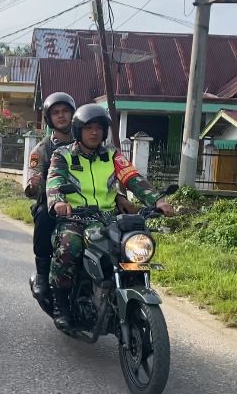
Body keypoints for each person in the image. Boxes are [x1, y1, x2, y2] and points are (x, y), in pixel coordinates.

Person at [46, 104, 175, 330]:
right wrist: (58, 201)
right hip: (76, 218)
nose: (94, 133)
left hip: (109, 218)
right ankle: (61, 304)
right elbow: (54, 179)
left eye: (99, 128)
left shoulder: (111, 155)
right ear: (78, 131)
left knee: (132, 248)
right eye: (89, 128)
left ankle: (125, 295)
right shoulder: (63, 154)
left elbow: (133, 178)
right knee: (69, 247)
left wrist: (157, 201)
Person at [24, 92, 76, 301]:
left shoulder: (86, 142)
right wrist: (34, 185)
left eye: (65, 111)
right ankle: (42, 275)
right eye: (56, 113)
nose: (61, 116)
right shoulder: (41, 149)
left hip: (88, 202)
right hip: (53, 203)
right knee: (43, 215)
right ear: (49, 118)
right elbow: (32, 181)